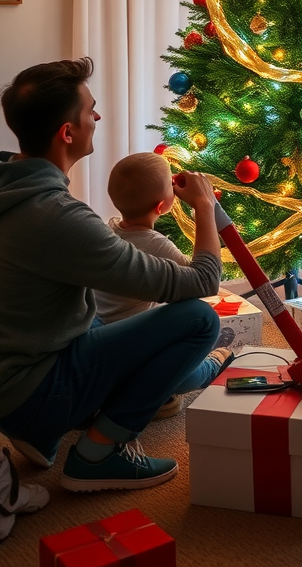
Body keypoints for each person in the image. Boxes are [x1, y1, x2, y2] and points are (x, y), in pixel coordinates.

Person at [0, 58, 223, 492]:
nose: (97, 117)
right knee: (199, 320)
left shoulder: (11, 185)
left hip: (13, 373)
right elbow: (203, 282)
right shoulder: (56, 218)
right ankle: (97, 454)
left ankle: (42, 431)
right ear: (68, 133)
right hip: (31, 388)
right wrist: (204, 207)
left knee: (102, 319)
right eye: (90, 111)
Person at [93, 151, 235, 416]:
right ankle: (214, 364)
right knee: (188, 375)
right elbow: (203, 278)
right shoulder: (156, 244)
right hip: (134, 347)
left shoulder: (106, 230)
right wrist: (203, 204)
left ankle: (123, 391)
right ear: (162, 206)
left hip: (101, 343)